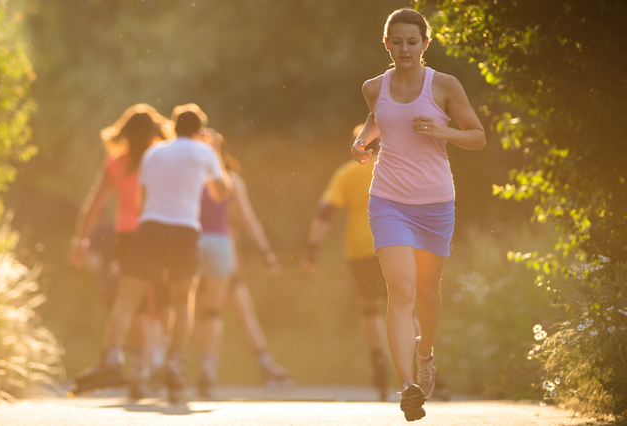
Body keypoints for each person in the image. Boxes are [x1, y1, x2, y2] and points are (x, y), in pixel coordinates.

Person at [351, 8, 485, 421]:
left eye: (412, 41)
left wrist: (443, 131)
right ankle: (408, 385)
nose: (404, 48)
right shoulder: (374, 87)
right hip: (388, 200)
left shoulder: (443, 85)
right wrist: (361, 142)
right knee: (402, 291)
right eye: (397, 41)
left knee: (427, 295)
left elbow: (478, 137)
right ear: (386, 44)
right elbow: (379, 119)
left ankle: (425, 355)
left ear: (425, 44)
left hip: (435, 203)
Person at [71, 103, 232, 404]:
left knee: (128, 298)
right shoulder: (204, 152)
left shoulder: (155, 153)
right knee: (181, 301)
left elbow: (144, 201)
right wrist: (217, 152)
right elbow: (221, 193)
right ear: (199, 130)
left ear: (173, 124)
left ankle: (112, 357)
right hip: (184, 230)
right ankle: (174, 364)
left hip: (149, 229)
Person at [68, 103, 172, 399]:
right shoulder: (161, 160)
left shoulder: (115, 164)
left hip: (127, 237)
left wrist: (80, 242)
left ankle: (138, 371)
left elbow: (93, 207)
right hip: (158, 231)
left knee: (133, 300)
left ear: (125, 134)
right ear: (154, 132)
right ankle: (161, 360)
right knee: (163, 297)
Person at [193, 129, 290, 398]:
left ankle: (209, 366)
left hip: (198, 252)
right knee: (221, 311)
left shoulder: (193, 177)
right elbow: (247, 220)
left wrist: (266, 252)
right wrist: (266, 253)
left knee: (223, 310)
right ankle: (214, 367)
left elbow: (246, 220)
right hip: (223, 253)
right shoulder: (230, 179)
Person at [303, 124, 391, 401]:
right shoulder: (396, 169)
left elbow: (325, 211)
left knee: (369, 308)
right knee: (405, 303)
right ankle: (419, 364)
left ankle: (378, 361)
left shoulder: (346, 173)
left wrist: (312, 249)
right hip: (396, 244)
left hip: (360, 249)